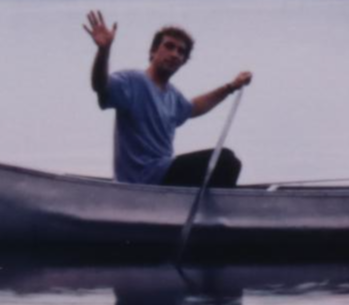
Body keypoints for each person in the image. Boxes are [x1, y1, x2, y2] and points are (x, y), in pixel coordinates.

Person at [83, 12, 252, 187]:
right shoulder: (132, 81)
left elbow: (194, 107)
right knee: (226, 160)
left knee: (232, 162)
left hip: (163, 175)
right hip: (141, 179)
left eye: (181, 52)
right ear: (153, 51)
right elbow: (100, 86)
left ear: (183, 61)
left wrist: (231, 87)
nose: (174, 54)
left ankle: (210, 201)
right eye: (169, 46)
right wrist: (103, 51)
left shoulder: (173, 95)